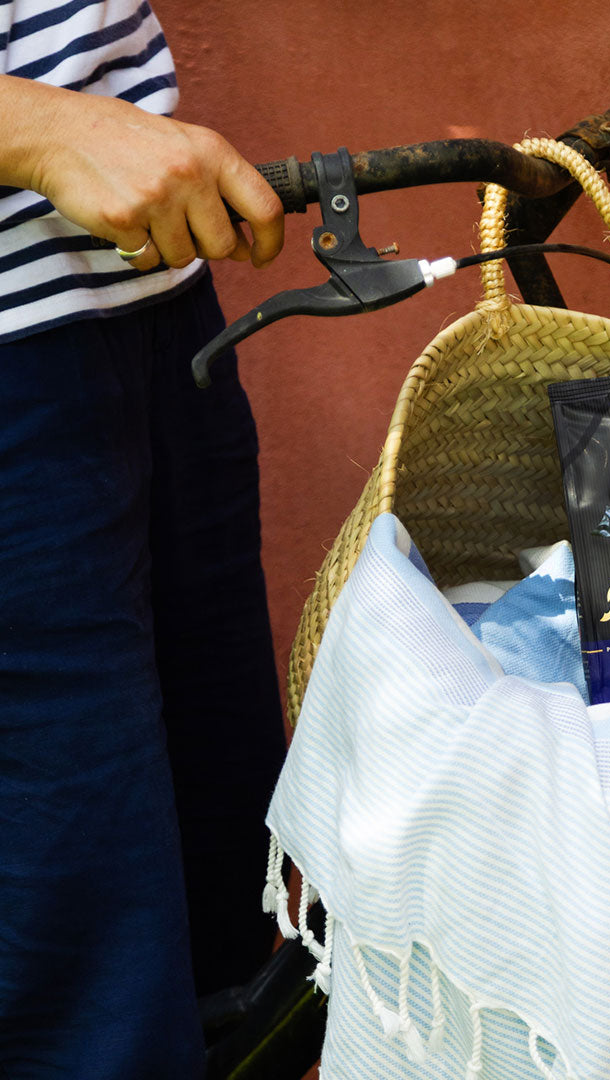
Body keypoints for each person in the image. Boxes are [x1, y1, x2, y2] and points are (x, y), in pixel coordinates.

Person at [1, 3, 288, 1076]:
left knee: (229, 939)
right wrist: (32, 128)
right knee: (83, 1005)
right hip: (14, 373)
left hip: (159, 314)